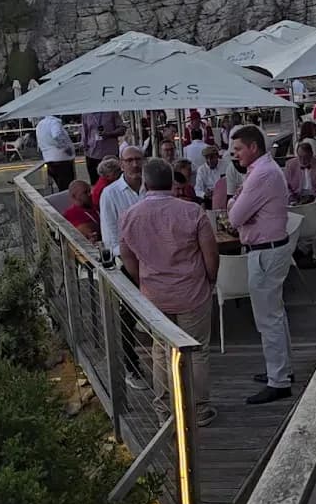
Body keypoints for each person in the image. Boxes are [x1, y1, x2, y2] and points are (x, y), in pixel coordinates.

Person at [120, 157, 219, 430]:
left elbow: (127, 256)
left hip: (155, 294)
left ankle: (165, 410)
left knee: (162, 352)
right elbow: (211, 254)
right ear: (171, 181)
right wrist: (211, 280)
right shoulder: (192, 212)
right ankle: (199, 409)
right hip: (192, 291)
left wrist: (142, 280)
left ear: (145, 182)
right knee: (197, 351)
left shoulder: (130, 215)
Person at [229, 125, 293, 405]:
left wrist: (239, 207)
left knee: (268, 319)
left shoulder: (262, 174)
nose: (235, 154)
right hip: (271, 248)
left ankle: (278, 379)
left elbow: (234, 216)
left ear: (253, 147)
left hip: (265, 252)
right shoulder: (264, 171)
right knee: (275, 315)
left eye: (239, 149)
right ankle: (281, 370)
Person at [99, 146, 143, 257]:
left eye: (138, 160)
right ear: (121, 165)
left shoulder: (152, 187)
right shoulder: (110, 193)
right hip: (127, 257)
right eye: (129, 160)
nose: (135, 165)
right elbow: (110, 234)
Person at [81, 111, 126, 184]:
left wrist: (109, 134)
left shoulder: (111, 111)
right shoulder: (86, 113)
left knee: (114, 182)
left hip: (110, 154)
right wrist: (84, 143)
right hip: (92, 154)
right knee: (95, 183)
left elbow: (122, 129)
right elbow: (84, 130)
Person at [36, 113, 76, 191]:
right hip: (61, 158)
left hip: (49, 159)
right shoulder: (54, 122)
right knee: (67, 187)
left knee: (60, 186)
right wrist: (66, 148)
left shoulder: (40, 125)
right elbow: (57, 135)